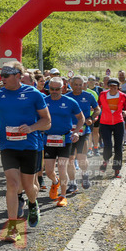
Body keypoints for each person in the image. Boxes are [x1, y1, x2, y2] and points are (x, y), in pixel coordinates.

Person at [0, 62, 51, 243]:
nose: (2, 79)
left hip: (29, 146)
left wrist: (31, 128)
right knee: (12, 185)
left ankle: (32, 203)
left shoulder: (33, 94)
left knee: (29, 186)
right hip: (8, 146)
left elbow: (47, 121)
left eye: (6, 76)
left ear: (18, 76)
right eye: (1, 75)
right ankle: (12, 228)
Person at [42, 78, 84, 208]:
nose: (54, 92)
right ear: (48, 88)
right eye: (52, 89)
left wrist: (76, 132)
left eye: (57, 89)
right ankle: (56, 182)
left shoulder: (70, 102)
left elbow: (81, 118)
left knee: (62, 168)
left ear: (63, 88)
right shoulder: (43, 101)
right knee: (49, 171)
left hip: (65, 139)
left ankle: (63, 196)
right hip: (48, 139)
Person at [66, 76, 100, 191]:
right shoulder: (67, 97)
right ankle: (72, 183)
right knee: (70, 159)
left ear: (84, 85)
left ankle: (85, 174)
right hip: (69, 132)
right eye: (76, 84)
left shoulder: (88, 96)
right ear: (71, 84)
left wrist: (91, 117)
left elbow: (97, 109)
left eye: (80, 85)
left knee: (81, 159)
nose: (78, 87)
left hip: (84, 131)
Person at [98, 78, 126, 178]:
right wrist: (94, 112)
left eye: (115, 86)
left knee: (118, 147)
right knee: (108, 146)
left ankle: (117, 170)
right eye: (111, 86)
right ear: (108, 86)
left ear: (118, 87)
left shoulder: (123, 96)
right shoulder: (103, 95)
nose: (113, 88)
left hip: (118, 123)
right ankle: (105, 161)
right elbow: (97, 106)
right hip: (105, 123)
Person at [87, 76, 103, 156]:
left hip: (97, 113)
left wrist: (97, 108)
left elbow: (101, 102)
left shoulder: (99, 90)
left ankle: (96, 147)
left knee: (96, 131)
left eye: (92, 80)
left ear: (95, 81)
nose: (90, 81)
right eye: (89, 80)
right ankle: (89, 149)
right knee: (89, 132)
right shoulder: (84, 90)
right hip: (87, 114)